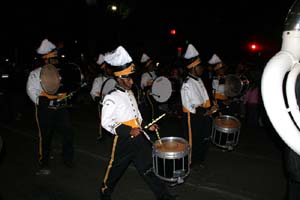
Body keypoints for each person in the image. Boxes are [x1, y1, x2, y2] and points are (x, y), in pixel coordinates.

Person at [99, 46, 176, 200]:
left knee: (148, 168)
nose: (131, 81)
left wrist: (148, 125)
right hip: (123, 141)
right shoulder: (111, 97)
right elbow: (106, 123)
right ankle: (104, 193)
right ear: (119, 79)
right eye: (128, 78)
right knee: (115, 170)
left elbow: (137, 118)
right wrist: (128, 131)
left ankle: (164, 196)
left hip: (139, 138)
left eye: (131, 77)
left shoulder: (130, 93)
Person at [26, 38, 75, 175]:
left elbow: (68, 85)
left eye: (55, 58)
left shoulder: (61, 71)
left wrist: (68, 93)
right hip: (45, 109)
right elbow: (31, 90)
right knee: (46, 136)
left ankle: (67, 158)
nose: (55, 61)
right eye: (52, 59)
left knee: (68, 132)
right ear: (46, 60)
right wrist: (43, 102)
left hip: (61, 107)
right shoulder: (36, 73)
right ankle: (44, 163)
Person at [180, 44, 214, 168]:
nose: (202, 69)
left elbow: (204, 96)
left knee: (202, 138)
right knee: (192, 140)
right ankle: (191, 162)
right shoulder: (187, 83)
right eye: (199, 67)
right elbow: (188, 105)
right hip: (192, 116)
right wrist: (204, 112)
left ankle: (199, 159)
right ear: (193, 68)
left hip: (202, 113)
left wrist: (209, 108)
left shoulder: (198, 80)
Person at [90, 53, 116, 141]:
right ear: (104, 69)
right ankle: (102, 134)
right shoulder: (98, 80)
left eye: (110, 68)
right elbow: (93, 92)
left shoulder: (115, 79)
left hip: (114, 102)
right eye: (108, 69)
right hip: (102, 103)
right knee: (103, 119)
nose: (110, 70)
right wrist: (98, 97)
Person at [139, 53, 159, 121]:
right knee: (152, 108)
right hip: (149, 95)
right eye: (150, 65)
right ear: (147, 67)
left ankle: (156, 121)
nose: (152, 66)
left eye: (152, 64)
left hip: (155, 93)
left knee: (156, 108)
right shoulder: (145, 75)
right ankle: (153, 122)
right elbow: (142, 85)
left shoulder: (154, 72)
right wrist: (149, 83)